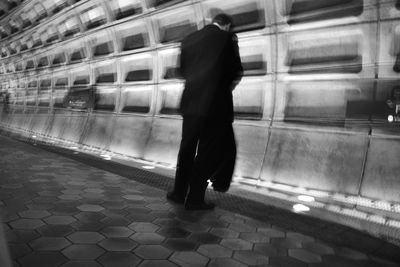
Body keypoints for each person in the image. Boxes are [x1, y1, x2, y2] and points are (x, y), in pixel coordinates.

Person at [167, 13, 243, 210]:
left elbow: (182, 71)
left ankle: (178, 192)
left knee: (186, 149)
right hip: (215, 106)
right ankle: (195, 199)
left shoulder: (189, 39)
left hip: (191, 105)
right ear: (226, 25)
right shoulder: (228, 38)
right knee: (206, 152)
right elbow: (236, 71)